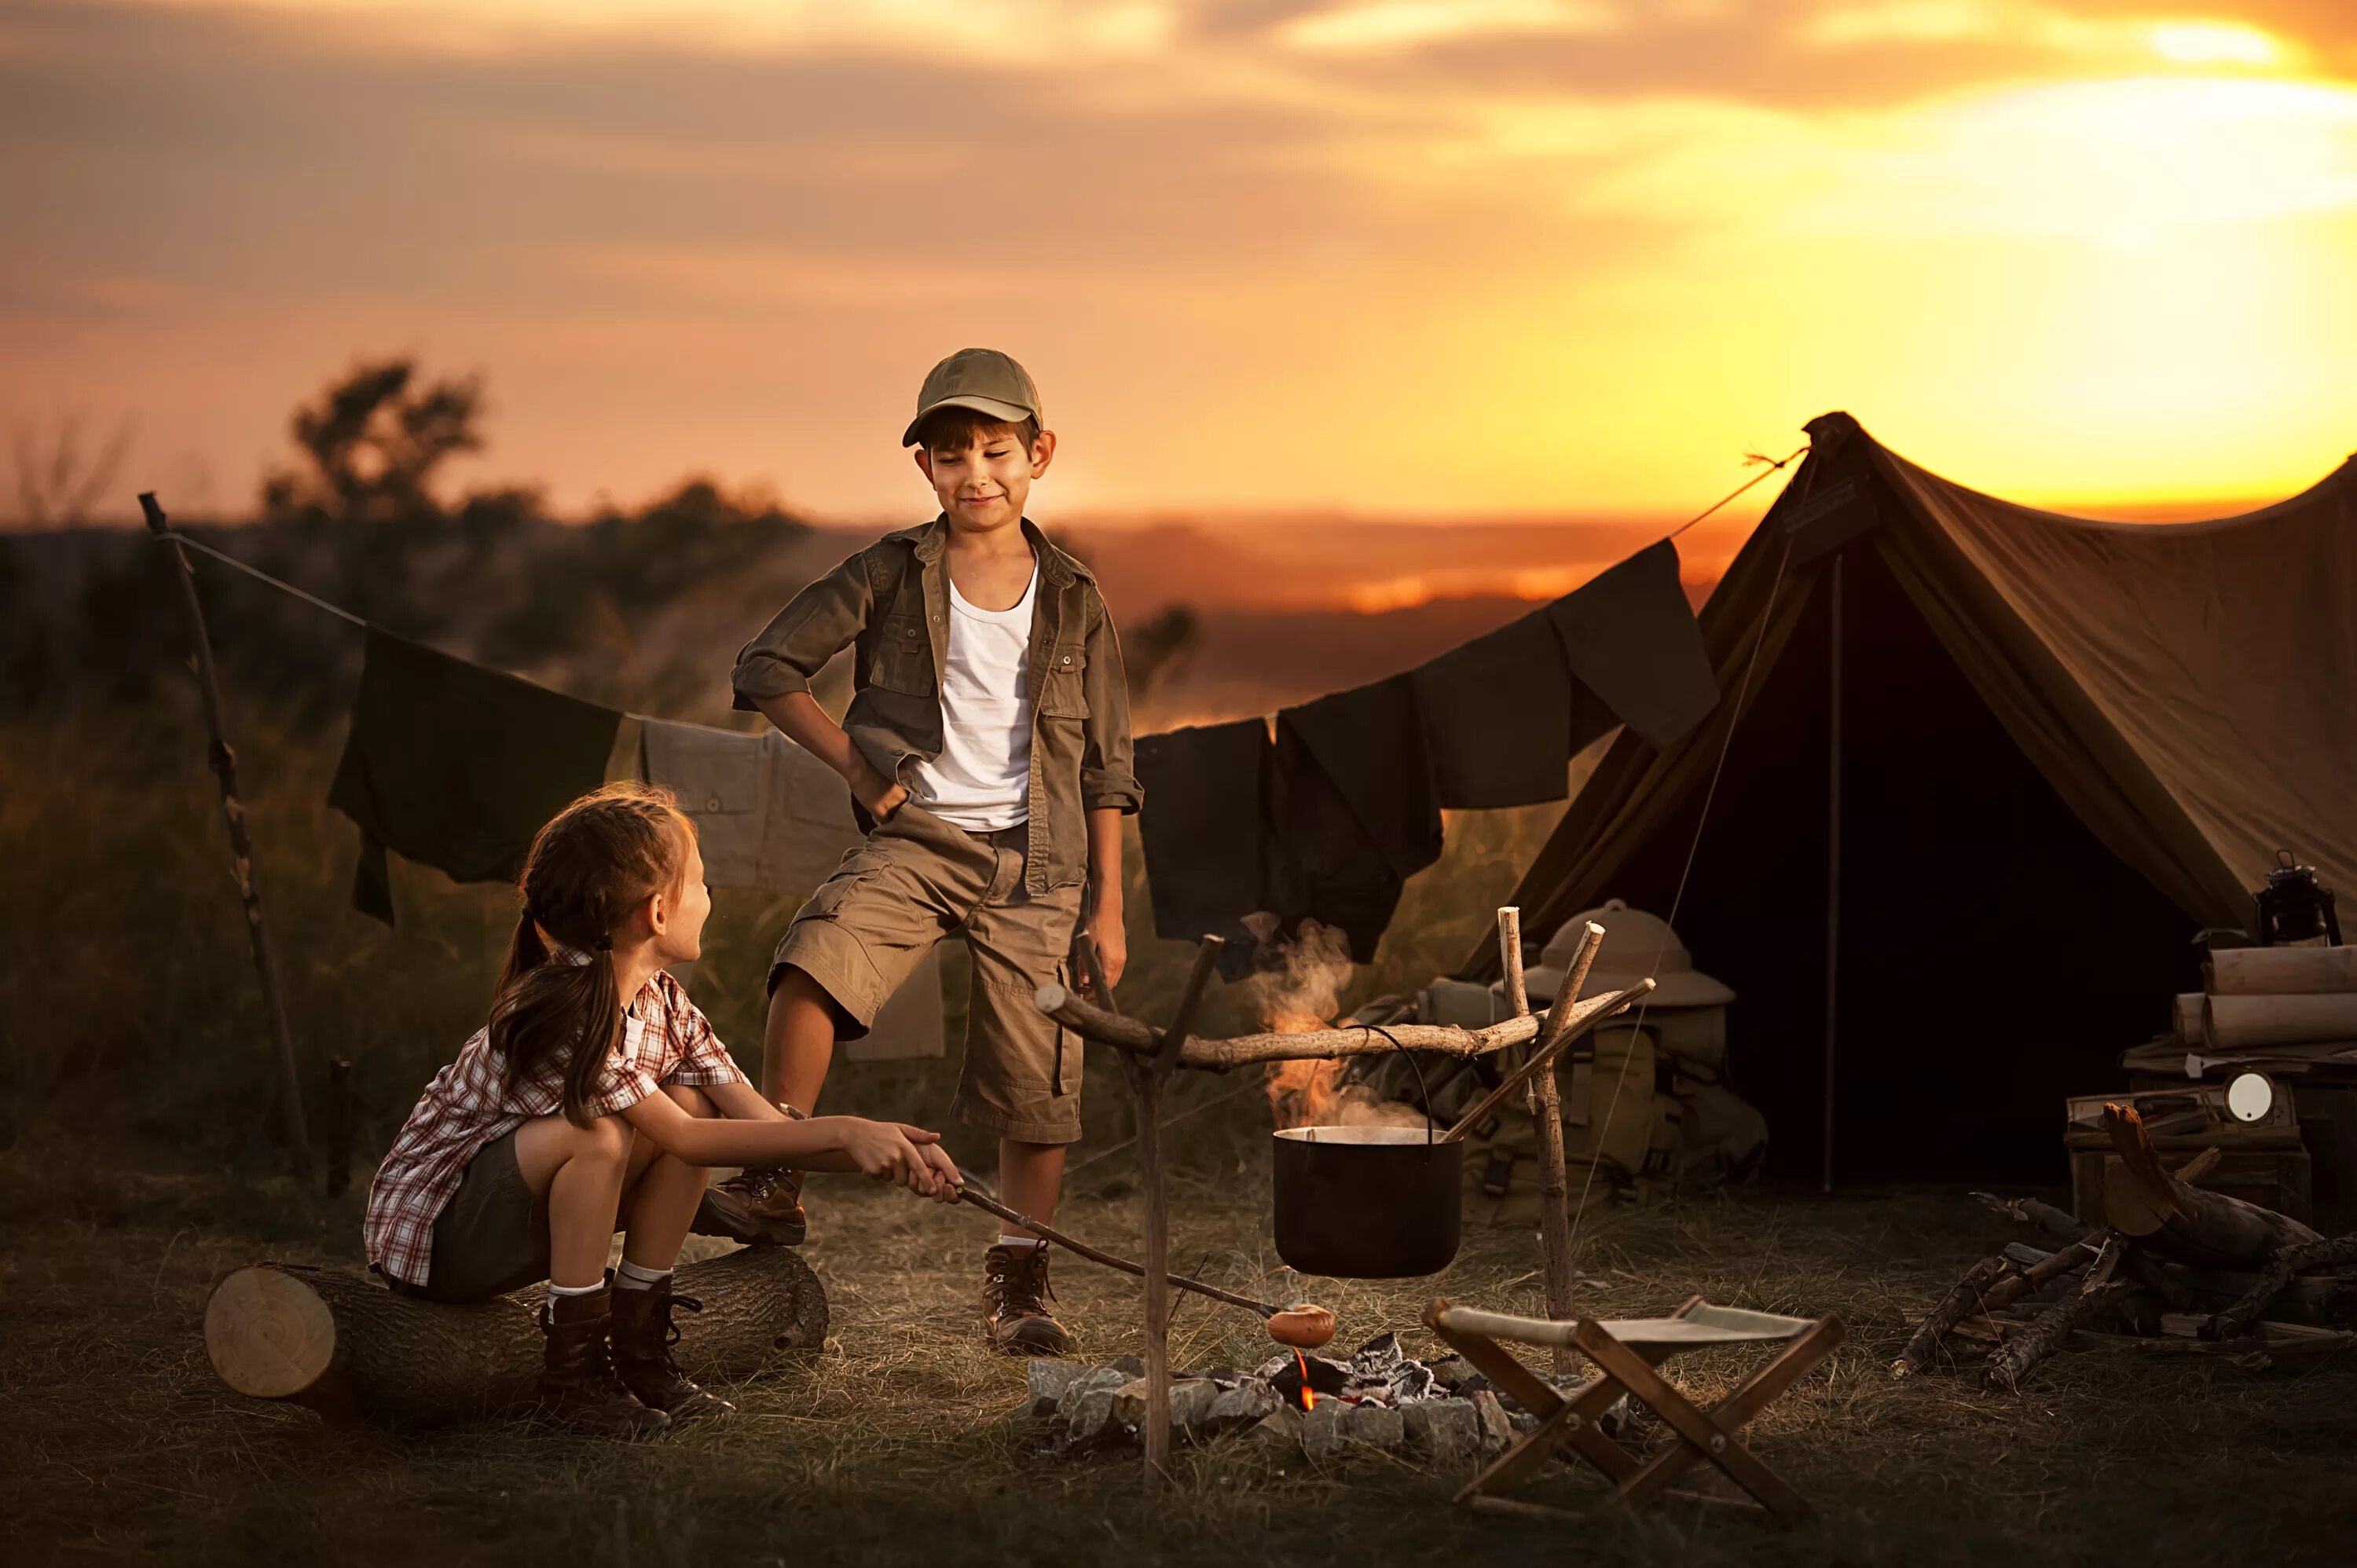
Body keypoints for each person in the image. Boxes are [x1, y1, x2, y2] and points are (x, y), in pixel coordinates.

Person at [705, 347, 1141, 1355]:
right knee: (812, 965)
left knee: (1040, 1090)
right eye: (952, 456)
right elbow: (765, 666)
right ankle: (776, 1174)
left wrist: (1106, 906)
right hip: (920, 840)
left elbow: (1110, 769)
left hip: (1041, 865)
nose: (976, 474)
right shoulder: (889, 574)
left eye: (997, 451)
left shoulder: (1077, 598)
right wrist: (860, 772)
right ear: (924, 468)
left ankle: (1019, 1282)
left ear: (1041, 455)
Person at [363, 782, 961, 1436]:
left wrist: (886, 1150)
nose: (711, 899)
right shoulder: (560, 1009)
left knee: (689, 1098)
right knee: (598, 1138)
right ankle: (573, 1382)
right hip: (444, 1242)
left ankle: (640, 1351)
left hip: (523, 1224)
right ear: (655, 913)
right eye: (700, 885)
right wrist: (850, 1129)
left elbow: (762, 1129)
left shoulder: (665, 1004)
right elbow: (693, 1143)